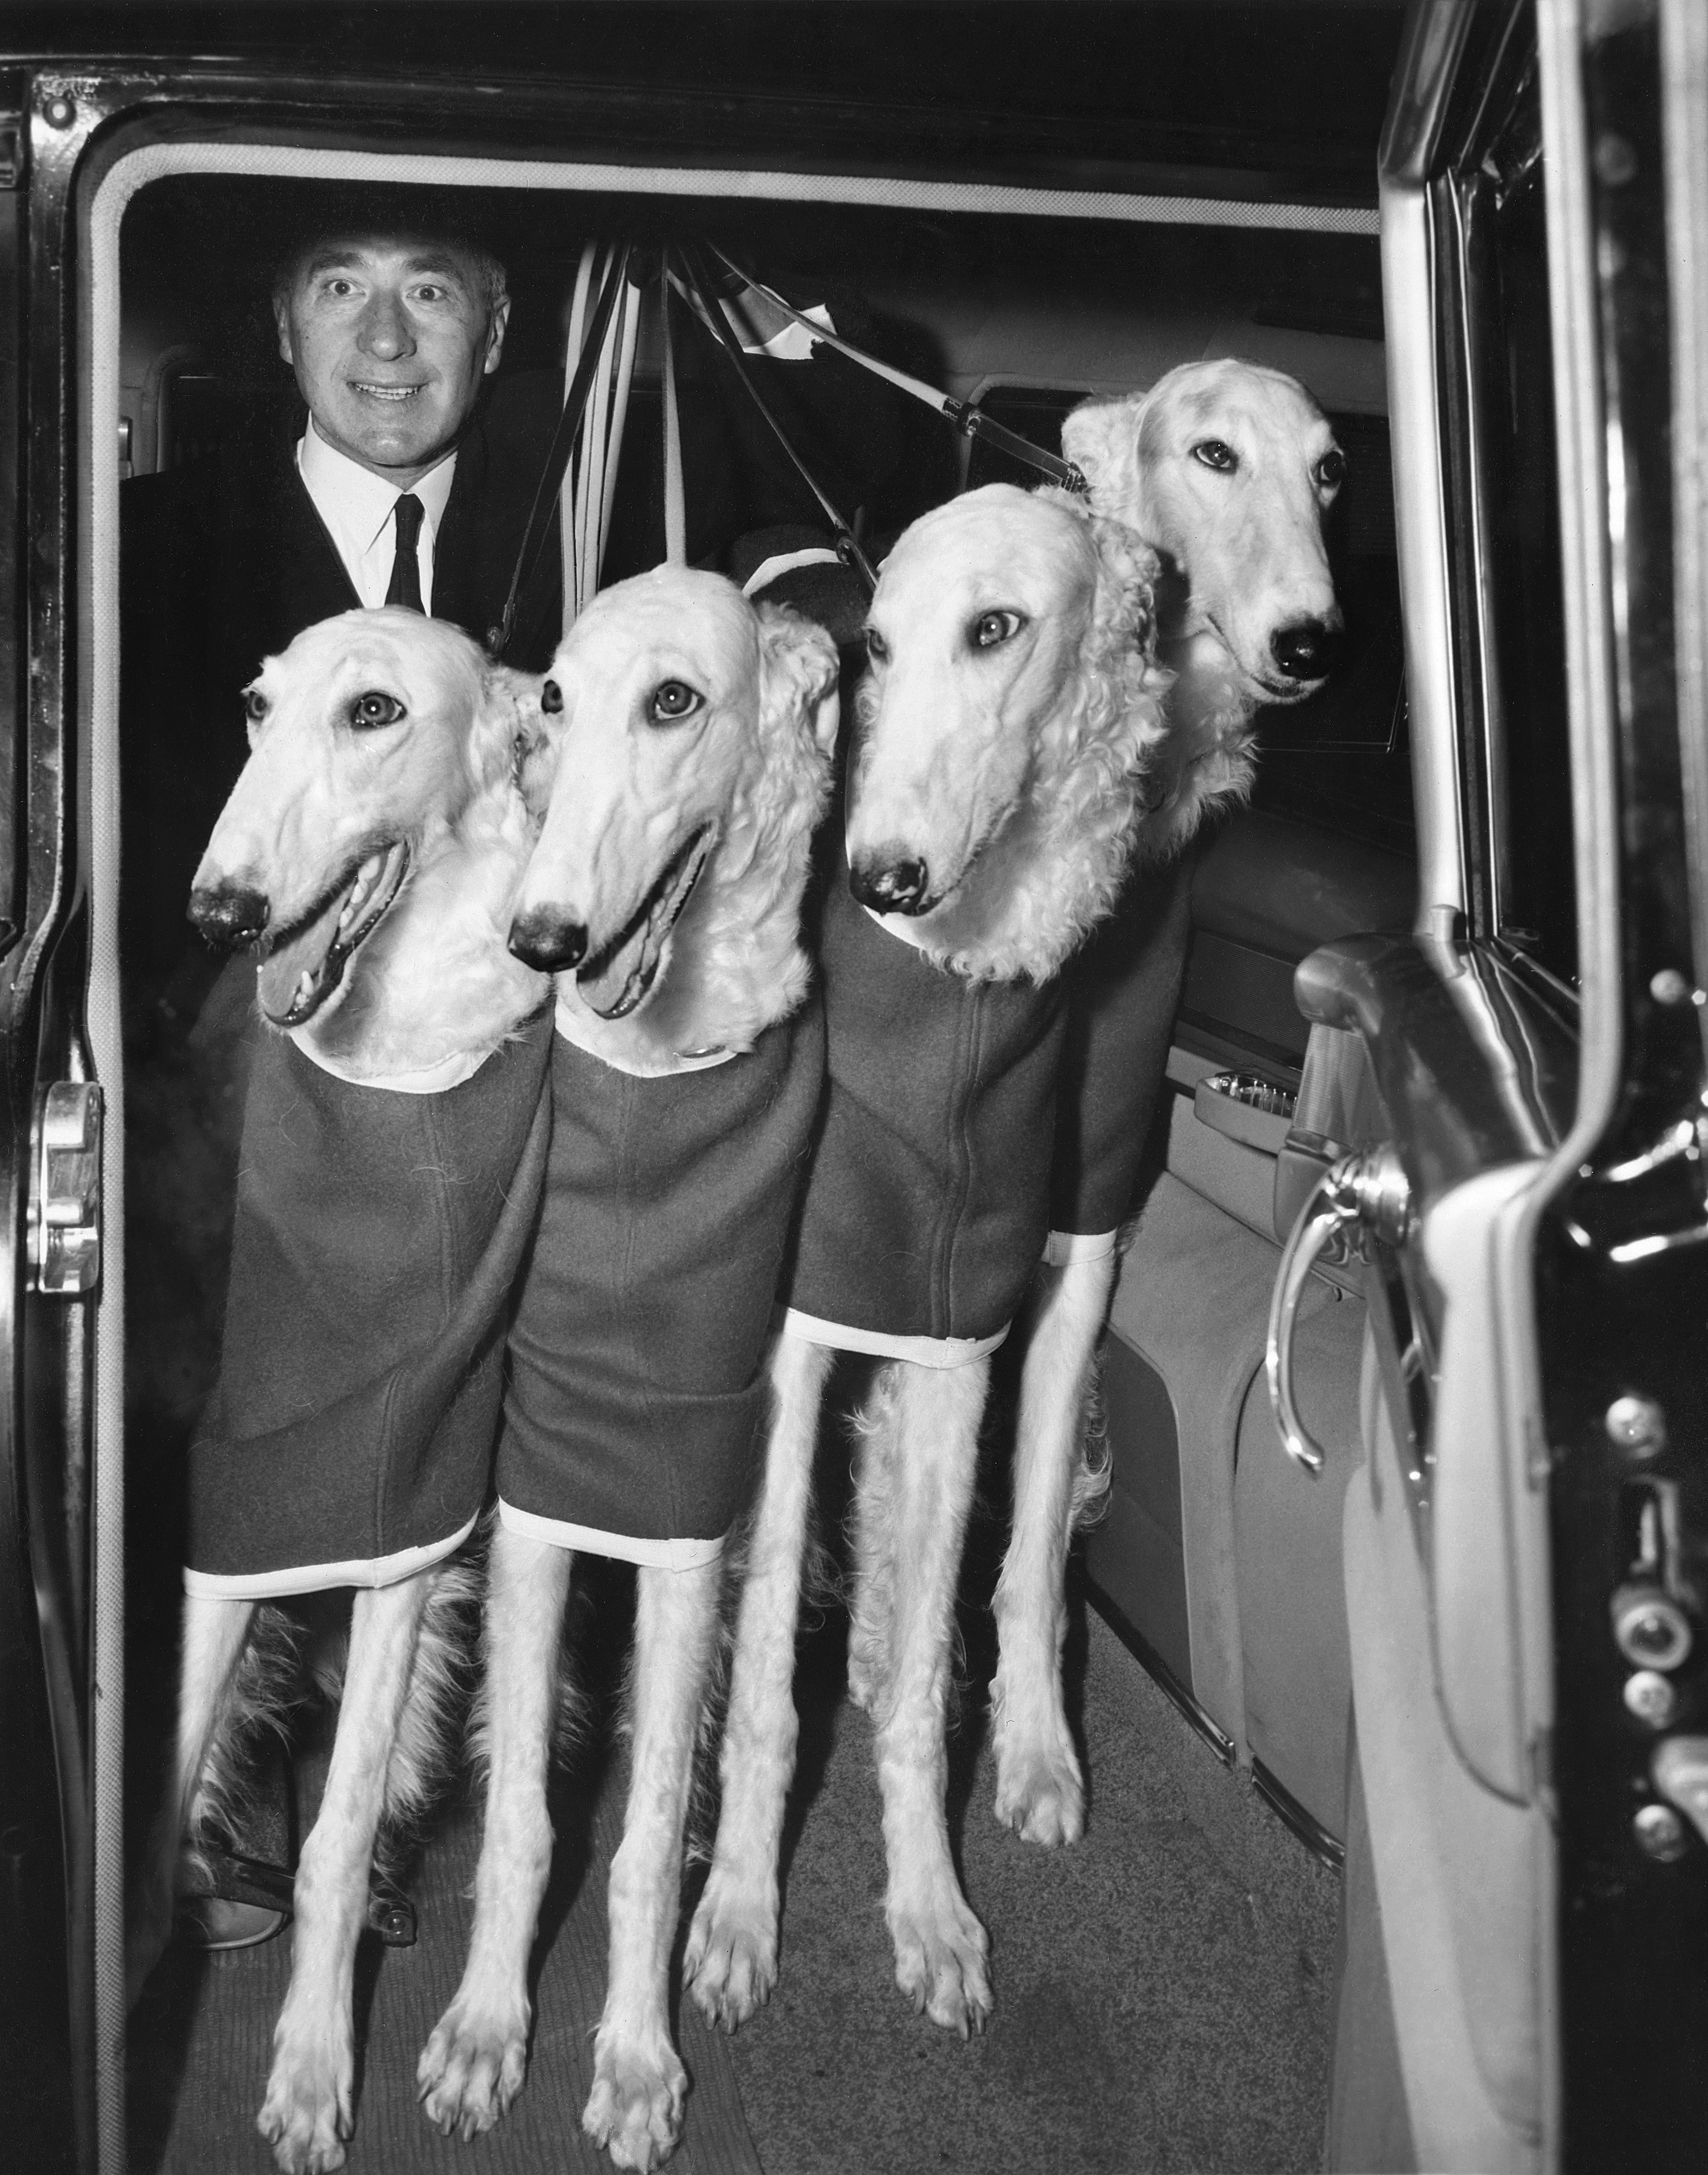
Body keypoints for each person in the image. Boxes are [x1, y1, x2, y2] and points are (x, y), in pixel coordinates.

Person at [120, 198, 562, 1950]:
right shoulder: (140, 547)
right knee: (222, 1418)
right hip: (210, 1102)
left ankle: (384, 1794)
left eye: (432, 292)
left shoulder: (569, 555)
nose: (388, 339)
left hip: (488, 1105)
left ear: (495, 335)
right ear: (286, 332)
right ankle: (201, 1786)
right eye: (343, 292)